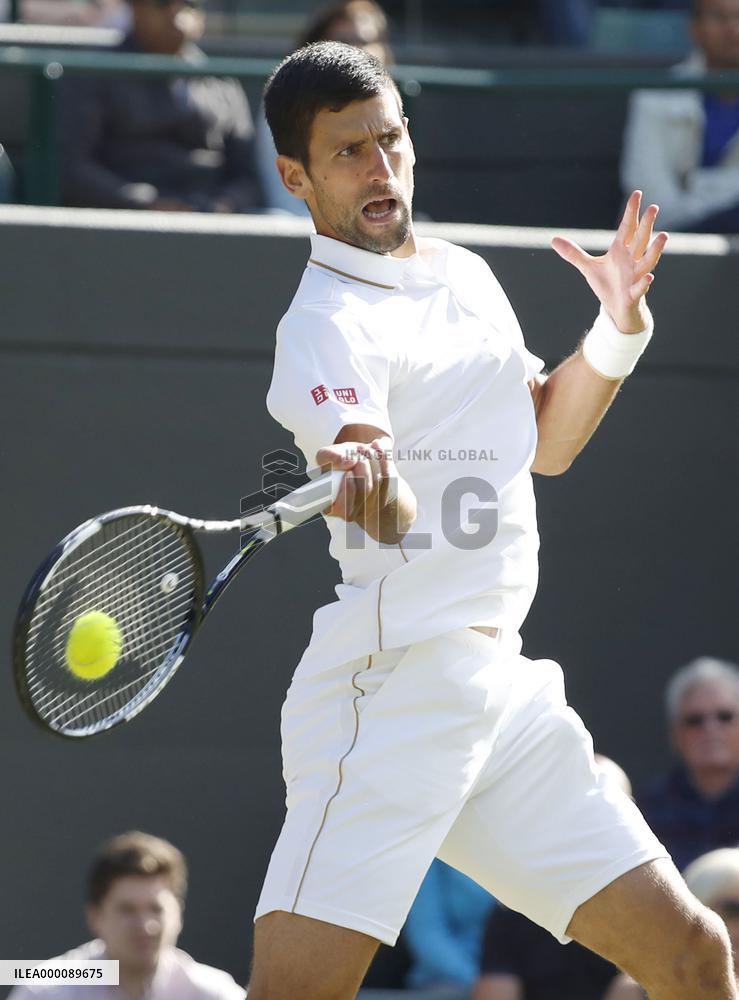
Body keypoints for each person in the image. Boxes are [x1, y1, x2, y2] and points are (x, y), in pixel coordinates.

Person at [251, 40, 734, 1000]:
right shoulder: (323, 325)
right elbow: (388, 509)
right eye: (347, 152)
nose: (380, 168)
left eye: (390, 140)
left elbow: (544, 442)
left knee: (693, 955)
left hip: (499, 692)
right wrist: (374, 479)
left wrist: (616, 328)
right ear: (294, 176)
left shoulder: (464, 276)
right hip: (388, 700)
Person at [61, 0, 261, 213]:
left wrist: (225, 205)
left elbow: (247, 176)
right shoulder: (95, 72)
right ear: (136, 8)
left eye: (189, 4)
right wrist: (145, 203)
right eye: (162, 4)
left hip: (211, 216)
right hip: (125, 219)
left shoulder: (222, 81)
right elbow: (72, 167)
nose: (177, 15)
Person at [8, 830, 245, 999]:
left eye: (156, 909)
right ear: (95, 917)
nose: (145, 925)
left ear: (178, 914)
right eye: (127, 910)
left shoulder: (213, 992)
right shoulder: (45, 991)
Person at [473, 757, 634, 1000]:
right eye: (579, 806)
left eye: (608, 807)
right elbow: (495, 991)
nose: (593, 821)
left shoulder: (650, 906)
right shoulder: (512, 909)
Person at [257, 0, 391, 216]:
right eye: (343, 41)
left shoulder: (390, 104)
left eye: (365, 40)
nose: (356, 50)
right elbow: (284, 201)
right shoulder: (286, 104)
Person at [621, 0, 739, 232]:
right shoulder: (655, 96)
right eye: (719, 17)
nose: (733, 28)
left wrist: (697, 187)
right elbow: (652, 203)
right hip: (667, 242)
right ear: (695, 28)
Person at [637, 656, 739, 872]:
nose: (710, 729)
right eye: (695, 720)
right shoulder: (646, 811)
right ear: (676, 735)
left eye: (724, 716)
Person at [402, 859, 495, 999]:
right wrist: (480, 982)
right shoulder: (433, 857)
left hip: (517, 975)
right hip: (450, 980)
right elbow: (427, 933)